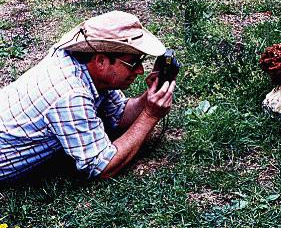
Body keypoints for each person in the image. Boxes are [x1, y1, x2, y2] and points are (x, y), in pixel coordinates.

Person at [0, 10, 176, 182]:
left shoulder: (85, 64)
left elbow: (119, 115)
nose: (140, 70)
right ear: (101, 61)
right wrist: (150, 116)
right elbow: (102, 167)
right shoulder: (70, 93)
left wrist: (150, 97)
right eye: (133, 63)